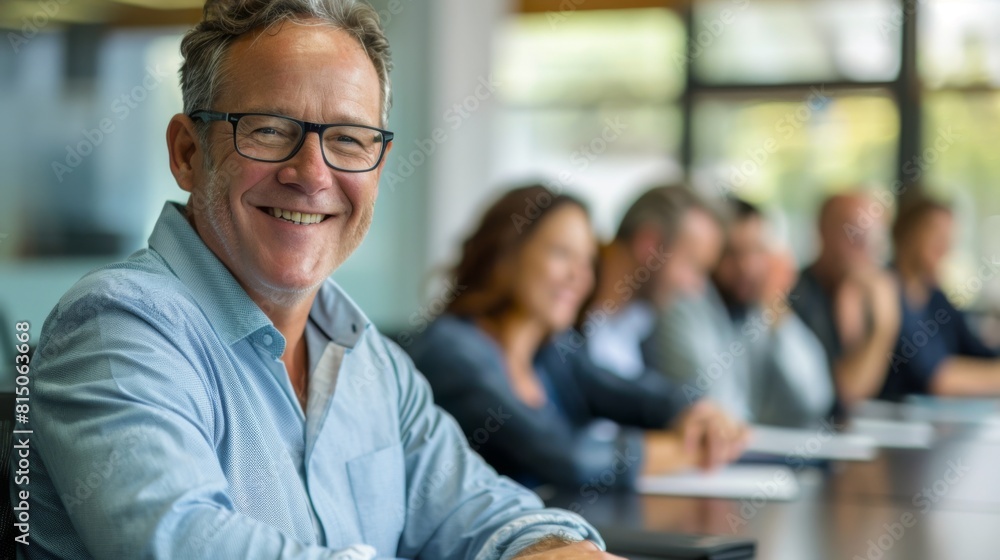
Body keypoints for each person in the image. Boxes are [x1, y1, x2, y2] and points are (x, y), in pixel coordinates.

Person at [17, 2, 620, 559]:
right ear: (186, 153)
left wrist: (555, 549)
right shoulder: (114, 328)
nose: (311, 174)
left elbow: (488, 514)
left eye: (349, 140)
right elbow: (182, 542)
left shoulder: (372, 363)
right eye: (269, 129)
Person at [407, 185, 746, 491]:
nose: (580, 277)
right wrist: (687, 450)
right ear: (505, 254)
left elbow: (631, 394)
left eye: (587, 261)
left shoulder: (550, 353)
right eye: (561, 254)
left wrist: (695, 412)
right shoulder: (452, 352)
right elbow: (566, 458)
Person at [654, 198, 834, 427]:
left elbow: (815, 398)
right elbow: (714, 405)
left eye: (757, 251)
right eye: (732, 253)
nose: (747, 267)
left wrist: (776, 312)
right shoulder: (685, 303)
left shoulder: (757, 309)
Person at [880, 197, 1000, 399]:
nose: (945, 246)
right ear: (906, 234)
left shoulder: (936, 298)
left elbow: (976, 351)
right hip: (893, 419)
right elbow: (938, 379)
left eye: (948, 237)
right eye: (936, 235)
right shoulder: (885, 291)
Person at [790, 192, 901, 406]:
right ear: (822, 231)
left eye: (873, 236)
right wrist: (884, 325)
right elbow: (842, 394)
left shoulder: (872, 289)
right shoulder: (798, 297)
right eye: (854, 233)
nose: (864, 246)